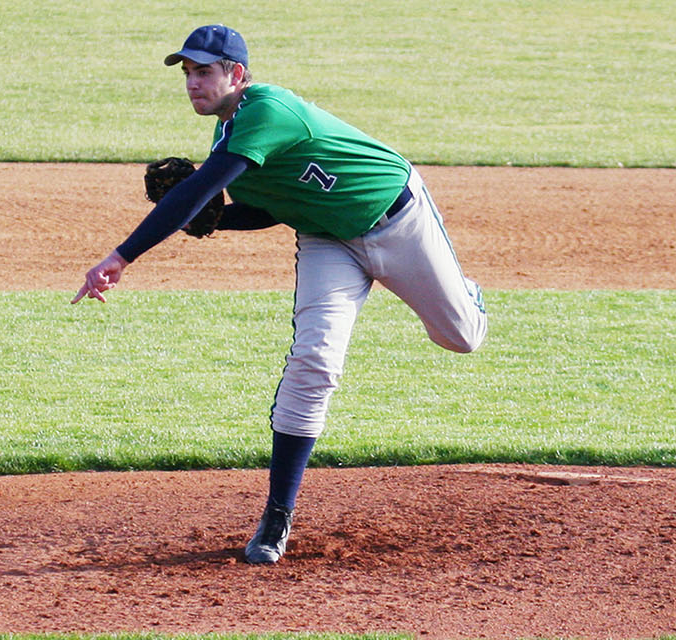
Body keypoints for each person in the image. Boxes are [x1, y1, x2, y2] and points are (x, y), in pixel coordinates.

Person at [71, 24, 488, 564]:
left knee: (461, 337)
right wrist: (215, 222)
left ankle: (464, 294)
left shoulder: (268, 111)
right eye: (188, 73)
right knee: (313, 362)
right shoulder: (228, 140)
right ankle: (277, 517)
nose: (193, 82)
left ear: (237, 75)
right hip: (326, 239)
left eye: (204, 71)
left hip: (397, 218)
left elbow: (200, 188)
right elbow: (269, 208)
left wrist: (122, 256)